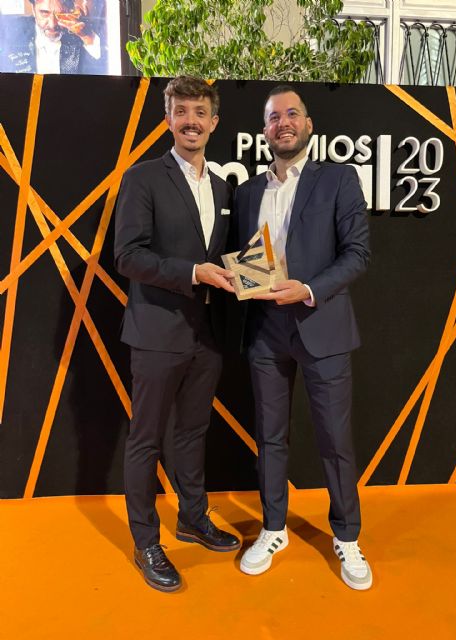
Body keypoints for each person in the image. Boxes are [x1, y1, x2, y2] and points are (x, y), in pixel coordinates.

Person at [234, 85, 372, 590]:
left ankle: (347, 536)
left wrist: (309, 289)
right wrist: (241, 279)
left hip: (322, 326)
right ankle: (273, 528)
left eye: (292, 114)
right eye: (274, 117)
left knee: (335, 440)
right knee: (270, 437)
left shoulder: (338, 179)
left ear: (308, 125)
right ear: (265, 130)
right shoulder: (248, 191)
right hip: (265, 331)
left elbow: (357, 253)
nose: (284, 123)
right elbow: (249, 260)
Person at [114, 76, 240, 593]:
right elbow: (128, 256)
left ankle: (192, 517)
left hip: (208, 334)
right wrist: (192, 272)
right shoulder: (142, 178)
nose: (191, 121)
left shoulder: (224, 187)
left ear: (214, 121)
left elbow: (228, 256)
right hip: (157, 331)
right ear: (168, 119)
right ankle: (146, 541)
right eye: (182, 111)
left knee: (192, 432)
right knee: (145, 439)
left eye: (200, 112)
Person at [0, 0, 105, 75]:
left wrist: (87, 36)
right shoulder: (10, 30)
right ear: (33, 10)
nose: (52, 24)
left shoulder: (82, 35)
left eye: (60, 14)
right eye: (44, 13)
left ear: (70, 10)